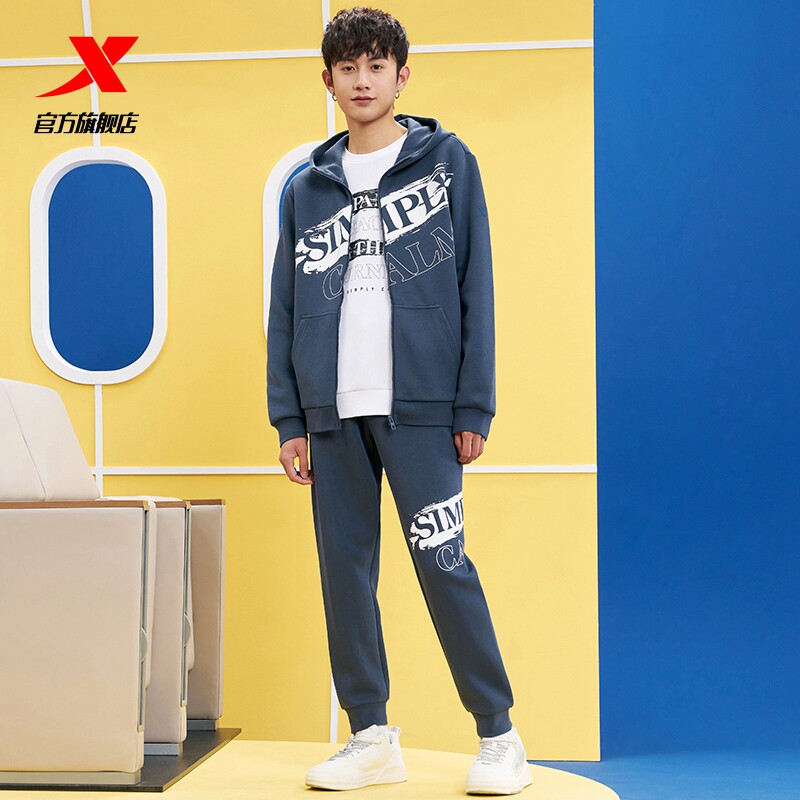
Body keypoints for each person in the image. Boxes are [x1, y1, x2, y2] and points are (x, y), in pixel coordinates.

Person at [266, 6, 532, 795]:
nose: (362, 80)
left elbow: (477, 282)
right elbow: (284, 307)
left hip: (422, 407)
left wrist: (472, 406)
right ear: (328, 80)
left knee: (445, 566)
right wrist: (290, 417)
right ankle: (371, 737)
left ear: (401, 75)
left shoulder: (448, 164)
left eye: (376, 66)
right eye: (348, 68)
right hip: (331, 414)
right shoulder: (306, 188)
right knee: (345, 578)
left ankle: (499, 735)